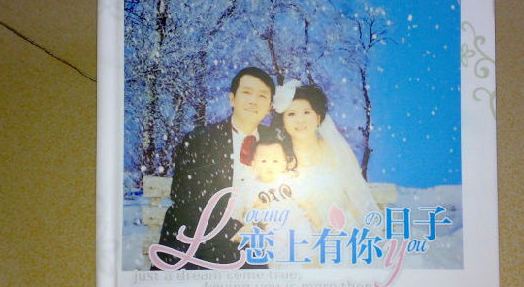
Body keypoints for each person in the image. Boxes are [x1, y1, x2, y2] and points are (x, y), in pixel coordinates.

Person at [151, 67, 275, 270]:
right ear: (232, 98)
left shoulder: (276, 142)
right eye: (247, 92)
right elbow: (188, 202)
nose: (254, 101)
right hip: (198, 246)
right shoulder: (200, 140)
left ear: (269, 106)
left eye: (262, 96)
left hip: (255, 248)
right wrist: (236, 231)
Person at [273, 82, 379, 233]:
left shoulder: (335, 149)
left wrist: (341, 224)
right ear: (283, 121)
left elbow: (356, 196)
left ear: (318, 117)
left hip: (340, 229)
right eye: (291, 114)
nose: (300, 120)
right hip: (295, 233)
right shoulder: (277, 156)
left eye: (306, 112)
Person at [231, 134, 322, 266]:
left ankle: (312, 269)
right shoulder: (252, 187)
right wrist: (255, 209)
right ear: (254, 165)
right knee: (277, 259)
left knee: (307, 253)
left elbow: (305, 203)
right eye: (264, 161)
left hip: (297, 224)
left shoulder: (289, 181)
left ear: (284, 164)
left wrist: (320, 224)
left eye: (275, 161)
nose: (270, 166)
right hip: (272, 231)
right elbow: (247, 214)